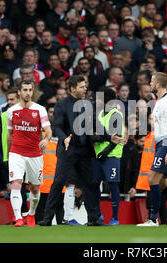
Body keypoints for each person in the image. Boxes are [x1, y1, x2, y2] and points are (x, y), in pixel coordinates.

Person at [38, 75, 103, 226]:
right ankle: (48, 218)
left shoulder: (88, 104)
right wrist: (64, 138)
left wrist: (109, 135)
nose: (85, 88)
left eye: (85, 86)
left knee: (90, 183)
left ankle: (93, 218)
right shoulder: (61, 104)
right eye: (82, 86)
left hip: (84, 150)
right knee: (59, 182)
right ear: (73, 88)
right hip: (68, 149)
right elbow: (57, 127)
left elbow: (96, 123)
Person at [136, 72, 167, 227]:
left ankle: (153, 219)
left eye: (152, 81)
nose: (150, 84)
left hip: (166, 144)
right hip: (161, 144)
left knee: (153, 179)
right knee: (161, 183)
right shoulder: (159, 101)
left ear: (158, 84)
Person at [7, 80, 52, 227]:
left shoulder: (40, 110)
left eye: (30, 90)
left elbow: (49, 131)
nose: (27, 93)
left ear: (33, 91)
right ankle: (18, 217)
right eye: (25, 90)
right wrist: (9, 154)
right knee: (16, 184)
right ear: (19, 92)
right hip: (17, 152)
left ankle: (31, 215)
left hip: (34, 153)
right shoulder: (11, 111)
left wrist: (45, 139)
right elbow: (9, 134)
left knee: (34, 188)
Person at [92, 87, 127, 225]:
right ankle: (98, 214)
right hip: (98, 154)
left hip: (111, 155)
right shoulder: (99, 114)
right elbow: (95, 134)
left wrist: (104, 153)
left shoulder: (116, 115)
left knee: (112, 184)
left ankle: (115, 218)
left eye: (99, 97)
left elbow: (116, 138)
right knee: (95, 184)